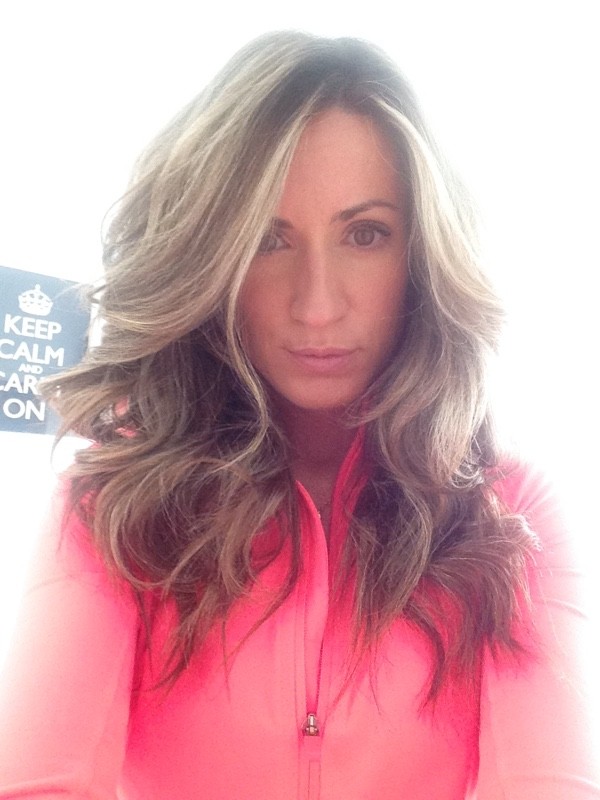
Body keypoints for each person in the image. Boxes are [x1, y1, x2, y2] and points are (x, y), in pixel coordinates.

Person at [0, 30, 598, 800]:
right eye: (267, 240)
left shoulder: (509, 510)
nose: (317, 306)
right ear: (211, 257)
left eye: (365, 234)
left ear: (421, 253)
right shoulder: (115, 501)